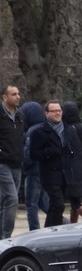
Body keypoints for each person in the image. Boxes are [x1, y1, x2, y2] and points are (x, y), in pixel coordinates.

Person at [30, 100, 80, 227]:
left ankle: (48, 231)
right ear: (46, 114)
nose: (57, 113)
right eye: (54, 111)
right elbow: (34, 154)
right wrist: (52, 151)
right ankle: (55, 230)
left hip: (65, 174)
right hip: (50, 174)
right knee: (58, 204)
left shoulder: (68, 129)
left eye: (59, 111)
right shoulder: (39, 132)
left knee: (54, 205)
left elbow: (74, 149)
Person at [0, 85, 25, 239]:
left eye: (18, 93)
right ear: (4, 97)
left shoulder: (21, 116)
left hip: (17, 163)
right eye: (13, 94)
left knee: (4, 200)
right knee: (12, 199)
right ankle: (6, 237)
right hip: (2, 163)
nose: (18, 96)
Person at [21, 101, 50, 230]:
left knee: (31, 204)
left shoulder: (31, 131)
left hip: (34, 170)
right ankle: (61, 221)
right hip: (46, 169)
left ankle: (34, 230)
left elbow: (28, 153)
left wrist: (25, 168)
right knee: (43, 201)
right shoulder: (47, 127)